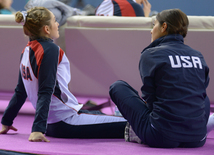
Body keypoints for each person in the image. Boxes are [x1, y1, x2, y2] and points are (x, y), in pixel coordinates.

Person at [0, 7, 127, 142]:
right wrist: (37, 129)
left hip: (55, 122)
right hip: (65, 122)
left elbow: (20, 92)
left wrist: (7, 121)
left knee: (101, 115)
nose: (58, 24)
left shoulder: (26, 51)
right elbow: (45, 90)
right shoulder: (50, 50)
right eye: (55, 20)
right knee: (132, 124)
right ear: (47, 29)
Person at [109, 9, 210, 148]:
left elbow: (150, 98)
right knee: (202, 96)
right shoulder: (198, 56)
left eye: (154, 25)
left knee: (117, 87)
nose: (151, 31)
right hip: (198, 138)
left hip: (160, 136)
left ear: (164, 27)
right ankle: (191, 130)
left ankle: (136, 132)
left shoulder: (151, 54)